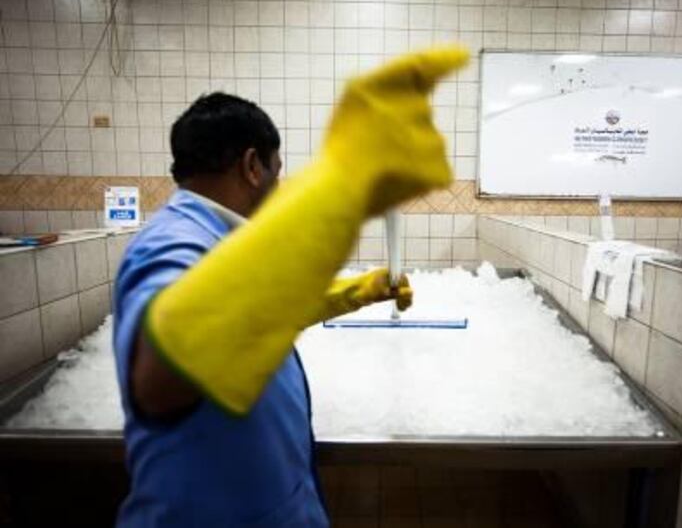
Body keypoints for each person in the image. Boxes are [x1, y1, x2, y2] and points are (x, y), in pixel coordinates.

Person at [113, 47, 467, 527]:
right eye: (279, 173)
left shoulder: (220, 236)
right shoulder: (173, 240)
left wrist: (359, 292)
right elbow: (157, 377)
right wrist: (339, 183)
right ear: (252, 166)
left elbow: (245, 318)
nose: (278, 187)